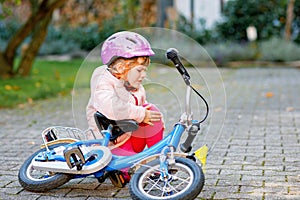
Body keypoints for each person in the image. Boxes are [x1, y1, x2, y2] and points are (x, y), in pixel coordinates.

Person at [86, 31, 164, 157]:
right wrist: (141, 114)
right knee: (129, 172)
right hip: (110, 145)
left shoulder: (134, 85)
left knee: (152, 110)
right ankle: (136, 164)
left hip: (130, 137)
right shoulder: (102, 79)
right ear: (121, 67)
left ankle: (159, 158)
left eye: (145, 70)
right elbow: (112, 107)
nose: (144, 75)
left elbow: (142, 109)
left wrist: (148, 117)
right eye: (139, 70)